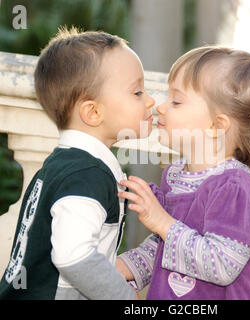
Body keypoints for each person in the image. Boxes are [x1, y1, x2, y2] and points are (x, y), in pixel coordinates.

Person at [116, 46, 250, 300]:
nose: (160, 107)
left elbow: (221, 265)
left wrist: (161, 221)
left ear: (216, 126)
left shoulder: (235, 188)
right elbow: (164, 248)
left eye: (176, 101)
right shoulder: (176, 177)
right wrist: (118, 268)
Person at [0, 27, 155, 300]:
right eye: (137, 92)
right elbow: (74, 255)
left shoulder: (62, 165)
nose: (151, 100)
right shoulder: (86, 175)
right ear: (93, 112)